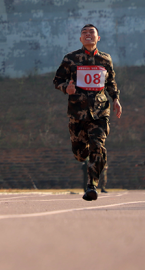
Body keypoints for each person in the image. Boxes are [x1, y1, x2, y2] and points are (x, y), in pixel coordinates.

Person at [53, 24, 122, 201]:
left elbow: (111, 82)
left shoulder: (105, 59)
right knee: (79, 154)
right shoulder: (70, 59)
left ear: (98, 38)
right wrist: (65, 88)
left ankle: (92, 186)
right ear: (80, 39)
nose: (87, 35)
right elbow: (57, 80)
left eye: (91, 32)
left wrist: (116, 100)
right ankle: (83, 155)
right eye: (84, 33)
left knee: (98, 146)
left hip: (100, 112)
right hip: (77, 113)